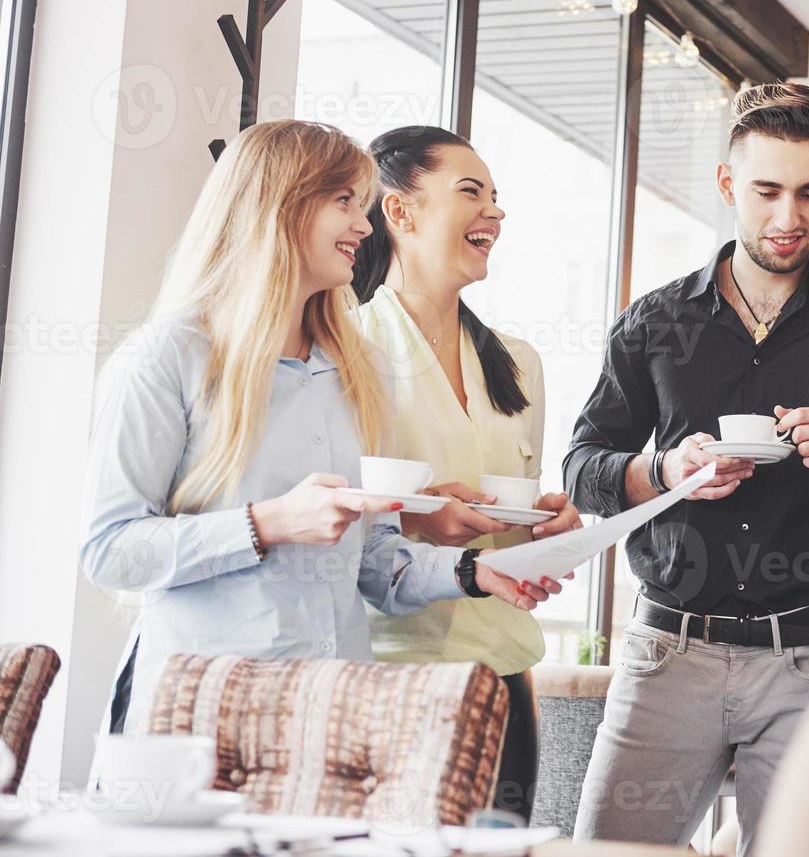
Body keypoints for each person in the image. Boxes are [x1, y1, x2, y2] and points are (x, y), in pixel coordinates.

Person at [81, 120, 562, 736]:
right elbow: (110, 551)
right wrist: (267, 524)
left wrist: (470, 571)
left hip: (331, 710)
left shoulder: (354, 373)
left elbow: (377, 560)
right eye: (343, 203)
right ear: (277, 207)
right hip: (197, 710)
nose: (365, 226)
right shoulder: (167, 358)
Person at [564, 83, 809, 854]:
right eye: (765, 192)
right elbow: (581, 471)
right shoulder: (654, 321)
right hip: (668, 652)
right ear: (729, 185)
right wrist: (665, 470)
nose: (787, 219)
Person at [352, 124, 581, 823]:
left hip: (505, 666)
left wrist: (549, 521)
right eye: (470, 193)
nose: (495, 212)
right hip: (393, 666)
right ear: (400, 210)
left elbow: (511, 509)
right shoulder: (344, 342)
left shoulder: (518, 362)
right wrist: (417, 519)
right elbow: (318, 509)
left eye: (496, 197)